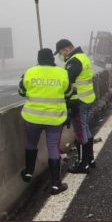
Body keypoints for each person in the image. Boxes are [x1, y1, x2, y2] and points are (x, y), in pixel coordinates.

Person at [19, 48, 71, 195]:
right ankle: (55, 184)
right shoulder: (62, 73)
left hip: (32, 117)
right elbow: (68, 93)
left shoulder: (30, 72)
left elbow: (22, 91)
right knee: (53, 148)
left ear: (39, 58)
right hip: (54, 118)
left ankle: (28, 172)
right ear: (52, 59)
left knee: (31, 144)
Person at [54, 39, 96, 174]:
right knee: (85, 129)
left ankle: (83, 164)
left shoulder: (74, 61)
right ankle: (90, 159)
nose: (61, 56)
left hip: (78, 101)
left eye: (61, 52)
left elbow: (67, 82)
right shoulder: (83, 57)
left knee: (80, 132)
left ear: (66, 49)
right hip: (87, 98)